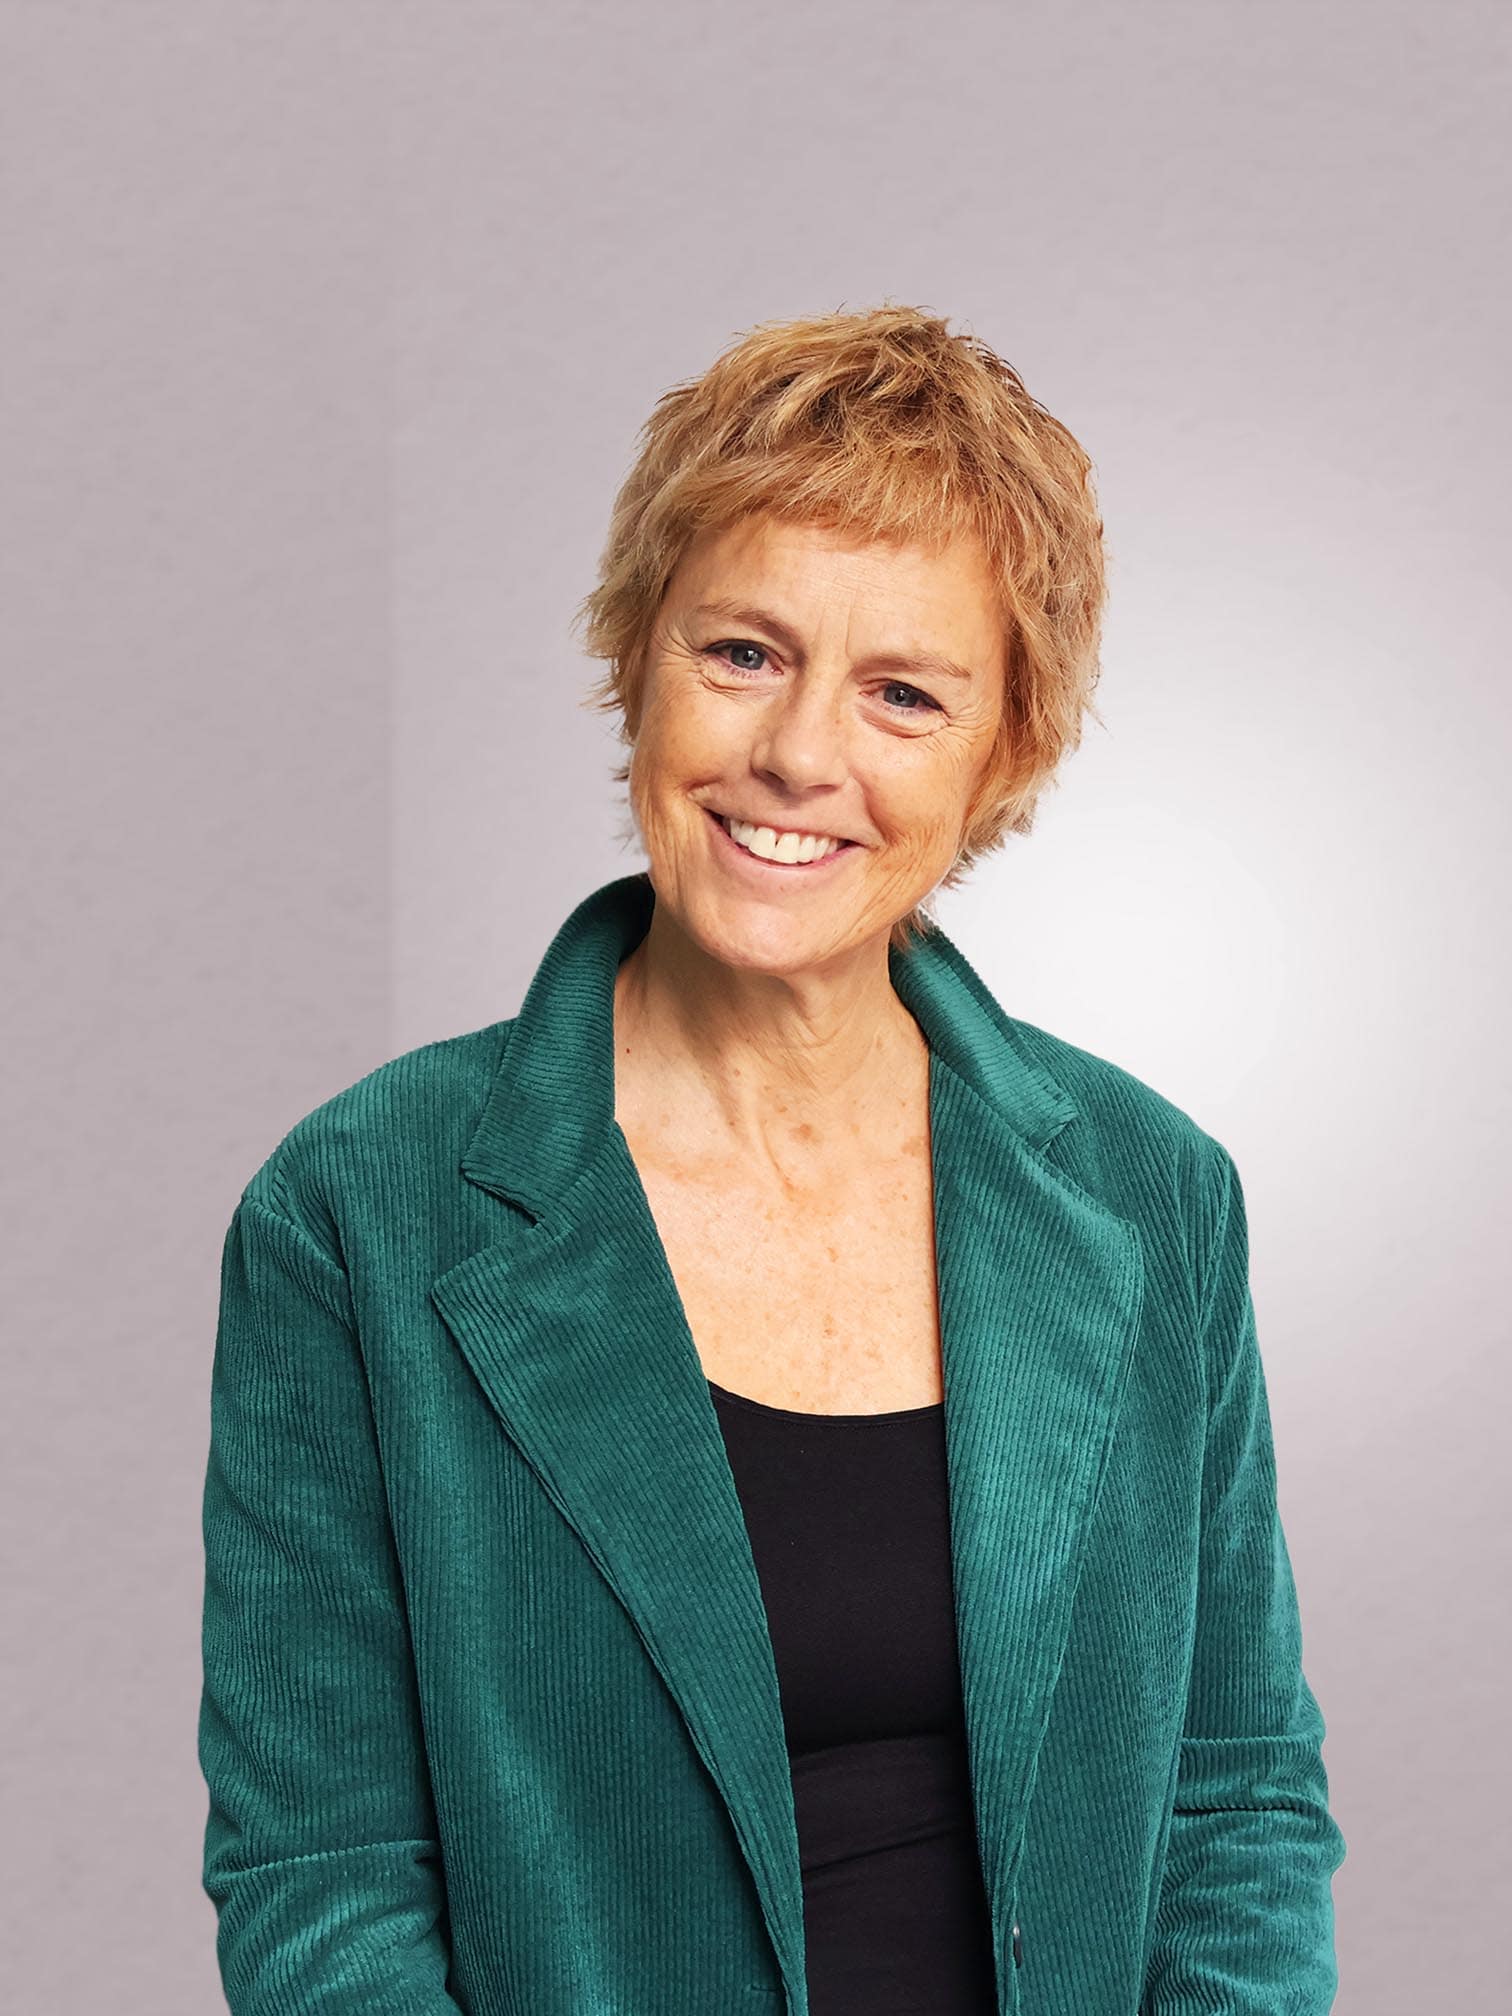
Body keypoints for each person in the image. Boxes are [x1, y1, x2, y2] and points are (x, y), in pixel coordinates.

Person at [198, 304, 1346, 2016]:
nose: (801, 754)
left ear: (1004, 753)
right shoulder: (361, 1207)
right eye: (743, 652)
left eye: (904, 694)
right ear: (636, 655)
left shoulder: (1151, 1192)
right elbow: (325, 1881)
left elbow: (1236, 1798)